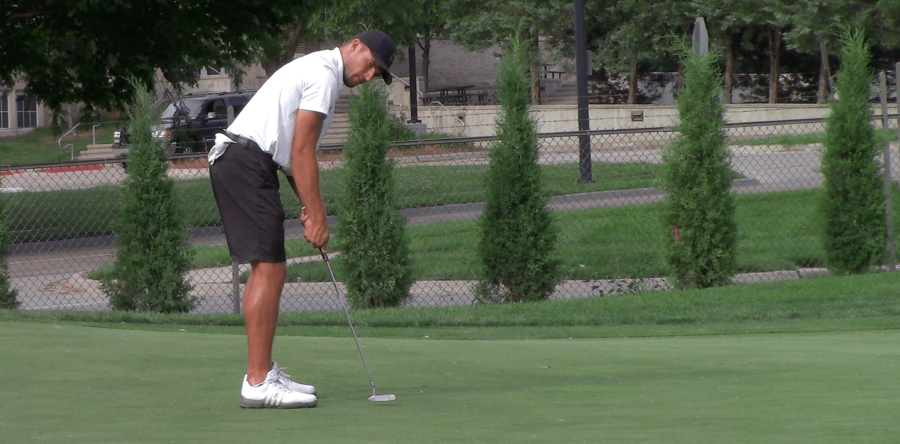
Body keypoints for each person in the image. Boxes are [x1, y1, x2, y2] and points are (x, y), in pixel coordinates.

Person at [207, 30, 397, 409]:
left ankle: (260, 372)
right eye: (371, 63)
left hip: (246, 161)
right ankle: (258, 382)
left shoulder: (321, 71)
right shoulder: (325, 75)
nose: (370, 74)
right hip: (246, 161)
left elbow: (294, 160)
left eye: (378, 71)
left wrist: (309, 211)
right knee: (270, 268)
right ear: (355, 45)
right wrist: (320, 215)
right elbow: (303, 150)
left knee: (269, 266)